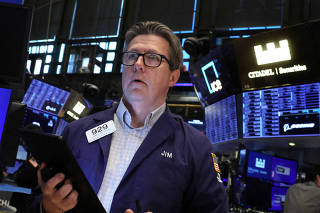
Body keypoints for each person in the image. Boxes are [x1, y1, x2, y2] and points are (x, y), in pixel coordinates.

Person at [37, 21, 229, 213]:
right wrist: (47, 207)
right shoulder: (78, 131)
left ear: (173, 77)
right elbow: (36, 198)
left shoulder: (195, 147)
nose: (138, 64)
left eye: (152, 58)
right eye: (132, 56)